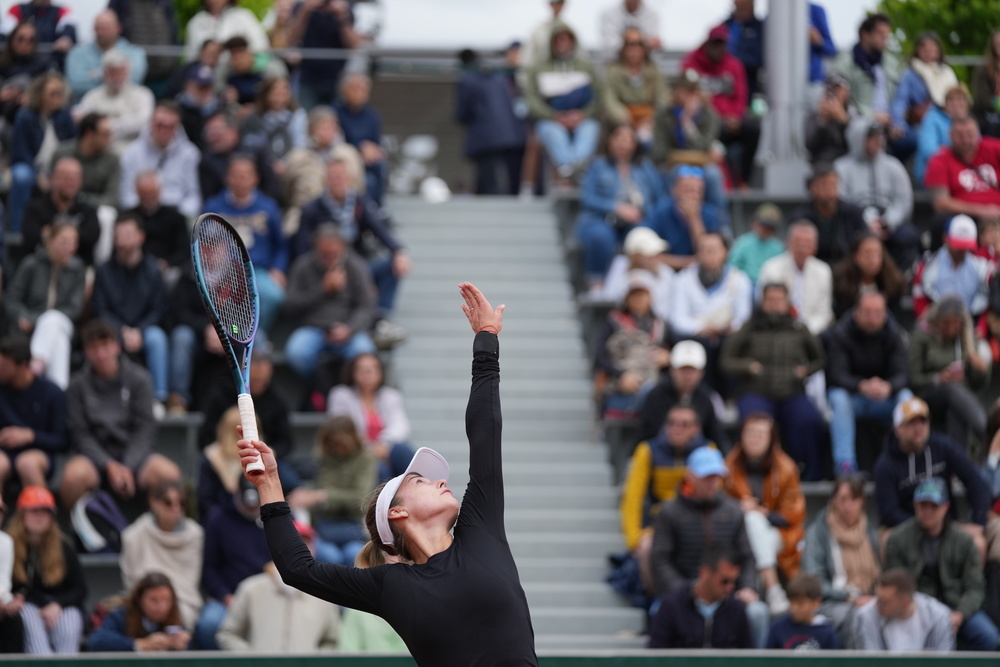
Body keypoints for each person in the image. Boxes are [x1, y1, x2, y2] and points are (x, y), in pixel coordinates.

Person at [238, 282, 539, 665]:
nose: (441, 481)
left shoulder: (481, 529)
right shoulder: (391, 585)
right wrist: (269, 485)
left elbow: (484, 434)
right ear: (397, 513)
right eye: (421, 481)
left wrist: (486, 341)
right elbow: (298, 569)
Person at [647, 445, 769, 647]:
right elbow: (660, 560)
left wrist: (747, 588)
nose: (713, 483)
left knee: (757, 613)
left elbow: (746, 556)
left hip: (727, 595)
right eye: (707, 477)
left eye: (716, 476)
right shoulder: (669, 513)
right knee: (659, 611)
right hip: (680, 594)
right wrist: (685, 593)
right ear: (690, 476)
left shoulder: (733, 511)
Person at [58, 319, 180, 510]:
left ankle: (160, 536)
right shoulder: (76, 386)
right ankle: (80, 535)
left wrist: (128, 465)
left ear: (116, 346)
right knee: (73, 477)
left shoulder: (140, 379)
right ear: (86, 352)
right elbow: (80, 434)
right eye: (93, 348)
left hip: (136, 458)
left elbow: (145, 429)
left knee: (168, 475)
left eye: (105, 346)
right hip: (94, 460)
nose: (100, 354)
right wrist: (108, 465)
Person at [720, 283, 827, 481]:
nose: (774, 305)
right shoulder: (749, 327)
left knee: (809, 420)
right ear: (762, 302)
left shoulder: (799, 328)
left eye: (779, 300)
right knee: (754, 422)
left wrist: (806, 370)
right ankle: (750, 474)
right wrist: (747, 366)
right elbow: (726, 361)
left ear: (788, 303)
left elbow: (820, 359)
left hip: (792, 392)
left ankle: (808, 476)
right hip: (755, 391)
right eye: (770, 300)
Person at [884, 478, 999, 651]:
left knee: (989, 638)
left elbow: (975, 587)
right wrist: (915, 611)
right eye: (923, 505)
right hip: (915, 608)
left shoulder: (963, 540)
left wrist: (960, 614)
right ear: (915, 506)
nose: (928, 511)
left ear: (945, 507)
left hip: (956, 606)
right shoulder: (898, 539)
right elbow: (894, 584)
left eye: (934, 506)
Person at [295, 159, 411, 327]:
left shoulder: (360, 203)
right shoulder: (312, 209)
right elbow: (301, 249)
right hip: (323, 269)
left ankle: (381, 318)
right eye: (334, 177)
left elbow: (379, 228)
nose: (338, 181)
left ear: (349, 179)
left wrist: (398, 251)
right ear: (325, 180)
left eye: (341, 177)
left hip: (357, 265)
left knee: (392, 264)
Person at [873, 396, 992, 554]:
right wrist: (927, 525)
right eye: (911, 422)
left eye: (923, 421)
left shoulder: (943, 446)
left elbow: (975, 482)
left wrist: (979, 521)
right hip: (906, 527)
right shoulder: (885, 465)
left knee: (978, 542)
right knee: (887, 539)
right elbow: (888, 513)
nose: (919, 428)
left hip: (947, 525)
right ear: (897, 429)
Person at [621, 404, 714, 591]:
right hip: (660, 522)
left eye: (684, 424)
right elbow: (632, 497)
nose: (676, 429)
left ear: (696, 428)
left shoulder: (708, 450)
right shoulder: (648, 450)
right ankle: (659, 602)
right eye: (672, 423)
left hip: (699, 519)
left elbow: (717, 490)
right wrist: (634, 538)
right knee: (647, 548)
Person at [92, 214, 179, 415]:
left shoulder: (153, 270)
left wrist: (139, 330)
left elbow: (159, 308)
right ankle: (109, 400)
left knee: (157, 338)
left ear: (141, 236)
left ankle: (158, 398)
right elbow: (100, 308)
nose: (122, 238)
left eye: (127, 233)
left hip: (145, 329)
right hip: (114, 328)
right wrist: (121, 330)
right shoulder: (104, 270)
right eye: (118, 234)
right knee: (105, 340)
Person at [724, 414, 806, 613]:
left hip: (779, 534)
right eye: (750, 433)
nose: (754, 439)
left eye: (760, 434)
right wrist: (738, 508)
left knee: (754, 521)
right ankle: (772, 591)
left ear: (772, 439)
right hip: (736, 532)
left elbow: (792, 516)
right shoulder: (729, 466)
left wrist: (762, 513)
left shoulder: (786, 468)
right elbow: (719, 504)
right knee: (751, 523)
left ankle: (766, 591)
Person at [216, 522, 341, 652]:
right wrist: (252, 659)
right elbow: (228, 634)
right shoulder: (251, 588)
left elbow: (331, 641)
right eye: (295, 542)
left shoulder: (324, 594)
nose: (301, 549)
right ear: (277, 547)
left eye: (306, 542)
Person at [826, 292, 912, 474]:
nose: (872, 318)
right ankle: (845, 466)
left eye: (878, 313)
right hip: (853, 398)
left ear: (886, 314)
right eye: (867, 312)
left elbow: (903, 374)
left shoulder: (895, 333)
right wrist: (862, 385)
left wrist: (889, 387)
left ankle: (908, 460)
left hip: (883, 398)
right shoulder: (841, 332)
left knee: (906, 398)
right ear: (856, 312)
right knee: (839, 398)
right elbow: (836, 374)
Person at [202, 156, 287, 335]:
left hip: (258, 270)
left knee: (274, 296)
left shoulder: (269, 207)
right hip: (223, 273)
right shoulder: (213, 206)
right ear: (227, 178)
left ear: (255, 178)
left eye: (245, 176)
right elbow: (202, 244)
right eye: (235, 175)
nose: (240, 180)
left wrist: (278, 269)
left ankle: (253, 336)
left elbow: (281, 245)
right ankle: (231, 335)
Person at [575, 123, 663, 291]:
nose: (623, 144)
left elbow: (657, 196)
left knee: (643, 235)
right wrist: (616, 207)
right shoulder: (598, 165)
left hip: (636, 220)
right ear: (610, 140)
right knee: (600, 236)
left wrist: (642, 213)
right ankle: (597, 284)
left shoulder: (645, 167)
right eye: (619, 138)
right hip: (601, 218)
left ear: (635, 144)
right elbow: (588, 198)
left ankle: (638, 285)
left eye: (628, 139)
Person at [283, 225, 378, 379]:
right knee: (296, 353)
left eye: (334, 254)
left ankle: (347, 384)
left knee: (364, 352)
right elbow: (290, 305)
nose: (330, 259)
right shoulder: (303, 266)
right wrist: (322, 289)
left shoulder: (356, 266)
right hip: (313, 328)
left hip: (349, 329)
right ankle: (320, 384)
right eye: (325, 255)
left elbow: (366, 306)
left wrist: (349, 328)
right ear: (316, 249)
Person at [802, 476, 882, 648]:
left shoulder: (870, 532)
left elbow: (882, 574)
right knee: (857, 616)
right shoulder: (817, 533)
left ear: (862, 502)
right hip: (830, 602)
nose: (848, 506)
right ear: (833, 501)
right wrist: (849, 597)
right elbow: (814, 582)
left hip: (870, 598)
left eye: (854, 499)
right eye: (843, 499)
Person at [286, 417, 377, 567]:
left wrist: (323, 496)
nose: (335, 448)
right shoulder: (323, 456)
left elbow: (362, 499)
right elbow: (317, 487)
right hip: (323, 525)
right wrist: (306, 495)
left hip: (352, 524)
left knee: (353, 554)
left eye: (339, 444)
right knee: (329, 556)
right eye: (331, 444)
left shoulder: (365, 458)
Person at [667, 233, 751, 395]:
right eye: (704, 250)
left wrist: (725, 328)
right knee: (700, 346)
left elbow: (743, 318)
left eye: (713, 250)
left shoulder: (740, 279)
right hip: (695, 335)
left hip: (726, 335)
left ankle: (728, 397)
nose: (708, 254)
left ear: (725, 252)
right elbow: (677, 318)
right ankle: (702, 396)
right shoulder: (683, 279)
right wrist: (702, 328)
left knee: (730, 346)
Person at [4, 224, 85, 389]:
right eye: (63, 241)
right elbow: (12, 298)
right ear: (50, 240)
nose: (68, 247)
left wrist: (38, 319)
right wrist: (22, 315)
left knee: (52, 319)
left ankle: (35, 367)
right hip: (31, 328)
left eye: (72, 242)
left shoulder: (78, 269)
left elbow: (74, 308)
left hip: (64, 322)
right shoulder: (31, 264)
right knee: (59, 343)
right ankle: (59, 393)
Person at [6, 486, 85, 654]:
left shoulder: (63, 545)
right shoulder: (8, 543)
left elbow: (80, 588)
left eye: (46, 512)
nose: (40, 517)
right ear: (22, 514)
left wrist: (58, 604)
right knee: (28, 615)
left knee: (71, 618)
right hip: (26, 607)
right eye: (34, 511)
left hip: (58, 606)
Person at [195, 476, 271, 650]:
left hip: (266, 595)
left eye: (256, 503)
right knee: (209, 624)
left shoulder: (275, 517)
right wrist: (225, 596)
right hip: (229, 596)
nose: (252, 507)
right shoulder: (217, 519)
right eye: (248, 503)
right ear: (237, 494)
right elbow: (209, 568)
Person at [681, 24, 760, 187]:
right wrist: (719, 116)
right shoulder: (692, 63)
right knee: (715, 129)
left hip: (732, 119)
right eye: (715, 43)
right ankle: (730, 181)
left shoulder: (734, 65)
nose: (718, 48)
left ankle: (745, 179)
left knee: (753, 129)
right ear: (707, 43)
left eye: (721, 44)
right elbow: (686, 93)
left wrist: (736, 117)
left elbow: (742, 97)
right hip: (706, 118)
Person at [835, 119, 920, 271]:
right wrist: (865, 221)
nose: (878, 141)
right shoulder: (841, 168)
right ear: (858, 139)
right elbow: (841, 200)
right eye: (872, 137)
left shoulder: (894, 166)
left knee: (909, 236)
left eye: (880, 136)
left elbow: (904, 200)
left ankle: (900, 280)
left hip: (889, 221)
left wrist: (888, 221)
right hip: (857, 222)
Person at [524, 22, 601, 184]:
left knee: (590, 130)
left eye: (566, 39)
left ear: (573, 42)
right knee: (554, 134)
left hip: (581, 119)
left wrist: (582, 115)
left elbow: (598, 97)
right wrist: (553, 116)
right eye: (558, 40)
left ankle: (571, 169)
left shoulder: (586, 67)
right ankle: (572, 169)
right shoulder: (538, 67)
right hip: (551, 120)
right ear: (552, 42)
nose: (562, 43)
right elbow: (531, 99)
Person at [120, 481, 204, 629]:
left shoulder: (195, 534)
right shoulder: (133, 535)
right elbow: (132, 581)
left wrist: (166, 602)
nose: (176, 509)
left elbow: (189, 581)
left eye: (181, 503)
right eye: (168, 503)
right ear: (154, 503)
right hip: (144, 601)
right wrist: (152, 600)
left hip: (182, 601)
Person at [908, 296, 989, 448]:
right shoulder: (922, 335)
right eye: (946, 323)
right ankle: (987, 432)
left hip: (959, 398)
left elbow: (978, 383)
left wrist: (980, 369)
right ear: (937, 320)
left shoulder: (965, 338)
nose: (951, 328)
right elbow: (913, 378)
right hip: (929, 394)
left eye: (956, 324)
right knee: (952, 390)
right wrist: (939, 378)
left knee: (957, 410)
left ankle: (959, 467)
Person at [593, 272, 671, 416]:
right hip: (621, 381)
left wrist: (669, 357)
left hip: (652, 379)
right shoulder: (614, 322)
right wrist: (621, 374)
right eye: (634, 295)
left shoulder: (661, 325)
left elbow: (676, 350)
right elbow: (600, 356)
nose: (639, 299)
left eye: (643, 294)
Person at [328, 353, 416, 481]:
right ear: (352, 372)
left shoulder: (391, 395)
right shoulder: (341, 395)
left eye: (372, 369)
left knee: (402, 450)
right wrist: (370, 449)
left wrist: (384, 445)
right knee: (379, 468)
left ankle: (418, 490)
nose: (367, 374)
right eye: (362, 370)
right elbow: (343, 431)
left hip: (386, 450)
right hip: (356, 453)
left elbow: (401, 426)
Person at [650, 69, 728, 211]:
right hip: (672, 166)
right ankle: (668, 221)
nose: (689, 95)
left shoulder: (709, 115)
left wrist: (687, 123)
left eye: (693, 91)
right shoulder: (665, 114)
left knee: (714, 175)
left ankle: (719, 223)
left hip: (701, 166)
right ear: (676, 92)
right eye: (685, 90)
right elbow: (660, 152)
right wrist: (684, 157)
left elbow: (705, 146)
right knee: (678, 173)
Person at [648, 544, 753, 649]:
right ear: (705, 572)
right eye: (724, 581)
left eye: (734, 582)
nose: (730, 587)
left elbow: (747, 657)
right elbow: (656, 656)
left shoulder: (737, 609)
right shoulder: (671, 606)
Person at [8, 72, 74, 234]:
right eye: (53, 93)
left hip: (58, 168)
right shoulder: (25, 116)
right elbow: (20, 152)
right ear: (40, 94)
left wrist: (57, 175)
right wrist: (38, 175)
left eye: (60, 93)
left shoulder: (65, 116)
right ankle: (17, 230)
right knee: (21, 176)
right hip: (32, 167)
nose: (58, 97)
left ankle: (65, 230)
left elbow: (73, 147)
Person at [456, 48, 529, 196]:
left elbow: (462, 112)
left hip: (485, 136)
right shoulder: (498, 74)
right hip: (511, 134)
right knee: (499, 180)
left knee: (492, 183)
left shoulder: (469, 77)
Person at [281, 107, 364, 232]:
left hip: (341, 211)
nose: (326, 131)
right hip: (302, 211)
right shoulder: (297, 156)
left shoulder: (349, 154)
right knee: (290, 229)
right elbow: (286, 190)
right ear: (311, 130)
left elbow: (359, 187)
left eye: (330, 127)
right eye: (321, 127)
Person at [0, 336, 66, 493]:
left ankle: (41, 515)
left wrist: (31, 436)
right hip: (4, 452)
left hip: (39, 453)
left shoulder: (51, 392)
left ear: (22, 365)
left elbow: (62, 440)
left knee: (27, 464)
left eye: (4, 365)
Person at [119, 101, 202, 219]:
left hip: (176, 217)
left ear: (178, 127)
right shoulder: (131, 153)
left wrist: (178, 216)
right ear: (151, 123)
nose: (164, 130)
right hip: (141, 216)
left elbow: (193, 196)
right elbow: (126, 195)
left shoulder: (190, 154)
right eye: (160, 125)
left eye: (170, 127)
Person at [638, 339, 728, 448]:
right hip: (660, 457)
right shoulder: (656, 396)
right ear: (672, 370)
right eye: (683, 369)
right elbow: (649, 434)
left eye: (692, 370)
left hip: (695, 457)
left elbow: (716, 435)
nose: (687, 375)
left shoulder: (706, 398)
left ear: (701, 372)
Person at [832, 15, 904, 143]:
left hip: (893, 122)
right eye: (880, 33)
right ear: (865, 34)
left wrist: (897, 119)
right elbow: (840, 104)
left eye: (887, 34)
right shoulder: (845, 63)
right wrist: (873, 118)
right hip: (861, 125)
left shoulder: (892, 63)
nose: (885, 38)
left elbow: (902, 97)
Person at [643, 166, 729, 270]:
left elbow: (707, 254)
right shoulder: (660, 212)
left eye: (697, 191)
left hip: (699, 274)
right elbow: (647, 254)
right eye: (687, 190)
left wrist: (694, 218)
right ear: (674, 190)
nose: (692, 196)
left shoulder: (711, 215)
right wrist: (687, 262)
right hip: (664, 270)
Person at [20, 157, 100, 268]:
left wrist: (53, 234)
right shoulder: (35, 208)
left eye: (75, 178)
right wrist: (74, 235)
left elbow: (92, 236)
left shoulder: (88, 210)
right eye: (66, 177)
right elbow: (31, 238)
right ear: (53, 179)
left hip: (78, 271)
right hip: (43, 268)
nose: (71, 183)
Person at [891, 31, 958, 161]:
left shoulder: (947, 73)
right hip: (922, 124)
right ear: (917, 50)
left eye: (932, 46)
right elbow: (900, 100)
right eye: (924, 47)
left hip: (949, 122)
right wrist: (898, 124)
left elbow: (958, 99)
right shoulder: (910, 75)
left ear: (939, 50)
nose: (928, 50)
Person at [757, 221, 834, 335]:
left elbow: (823, 312)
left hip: (812, 332)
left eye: (808, 243)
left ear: (815, 246)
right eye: (798, 242)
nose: (802, 248)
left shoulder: (823, 271)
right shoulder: (771, 268)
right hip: (777, 329)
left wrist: (806, 330)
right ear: (789, 243)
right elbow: (764, 305)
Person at [924, 115, 1000, 228]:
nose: (965, 140)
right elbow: (941, 203)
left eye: (970, 134)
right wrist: (983, 211)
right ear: (950, 135)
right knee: (940, 221)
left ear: (978, 133)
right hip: (965, 218)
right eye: (960, 135)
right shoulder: (939, 160)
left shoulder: (994, 148)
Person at [72, 50, 154, 153]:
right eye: (113, 73)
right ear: (105, 74)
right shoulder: (92, 96)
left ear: (128, 71)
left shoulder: (143, 94)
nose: (117, 78)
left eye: (121, 72)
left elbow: (142, 122)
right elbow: (82, 117)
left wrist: (106, 126)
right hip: (99, 151)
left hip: (132, 149)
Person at [854, 569, 955, 651]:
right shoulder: (867, 615)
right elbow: (870, 661)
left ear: (905, 604)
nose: (876, 604)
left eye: (884, 602)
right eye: (876, 597)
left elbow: (944, 660)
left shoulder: (939, 617)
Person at [88, 572, 190, 652]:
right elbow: (98, 641)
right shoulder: (122, 616)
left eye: (166, 600)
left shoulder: (175, 620)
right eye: (154, 600)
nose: (161, 607)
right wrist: (139, 644)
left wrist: (181, 645)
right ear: (140, 599)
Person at [289, 0, 363, 110]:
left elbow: (354, 45)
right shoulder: (302, 7)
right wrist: (305, 11)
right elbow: (291, 39)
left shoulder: (345, 9)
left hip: (337, 80)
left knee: (334, 123)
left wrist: (342, 17)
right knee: (305, 118)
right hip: (308, 78)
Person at [790, 163, 868, 265]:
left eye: (833, 184)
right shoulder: (801, 216)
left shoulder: (853, 212)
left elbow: (865, 241)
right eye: (824, 184)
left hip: (849, 268)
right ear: (812, 187)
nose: (829, 190)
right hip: (814, 268)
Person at [603, 29, 668, 146]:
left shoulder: (653, 71)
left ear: (645, 48)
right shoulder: (614, 71)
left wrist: (651, 119)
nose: (634, 49)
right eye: (630, 44)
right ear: (623, 48)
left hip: (649, 120)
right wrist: (625, 119)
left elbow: (662, 100)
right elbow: (609, 100)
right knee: (624, 141)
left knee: (647, 138)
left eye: (639, 44)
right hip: (622, 121)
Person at [65, 10, 146, 100]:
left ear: (118, 28)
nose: (101, 33)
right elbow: (76, 84)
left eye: (106, 28)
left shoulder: (134, 52)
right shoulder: (77, 53)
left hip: (125, 107)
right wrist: (112, 75)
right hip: (90, 109)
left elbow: (134, 79)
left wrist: (95, 74)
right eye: (98, 28)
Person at [124, 172, 191, 281]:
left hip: (166, 270)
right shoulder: (129, 218)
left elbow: (184, 251)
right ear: (137, 192)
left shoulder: (176, 218)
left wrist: (167, 263)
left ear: (159, 190)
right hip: (133, 269)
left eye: (151, 193)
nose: (148, 198)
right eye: (143, 194)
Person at [197, 406, 257, 523]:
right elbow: (206, 501)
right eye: (237, 433)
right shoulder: (212, 457)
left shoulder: (264, 457)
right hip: (224, 523)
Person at [239, 77, 307, 179]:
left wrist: (285, 163)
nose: (279, 97)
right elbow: (250, 143)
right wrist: (270, 163)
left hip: (291, 165)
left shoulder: (298, 115)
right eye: (276, 92)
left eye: (284, 92)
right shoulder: (254, 117)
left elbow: (300, 146)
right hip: (262, 165)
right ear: (266, 94)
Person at [599, 226, 673, 318]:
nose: (654, 258)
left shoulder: (666, 272)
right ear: (635, 256)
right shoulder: (620, 266)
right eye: (649, 255)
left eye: (656, 254)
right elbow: (610, 300)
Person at [107, 0, 180, 94]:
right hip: (133, 79)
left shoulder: (164, 2)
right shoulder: (120, 2)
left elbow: (173, 31)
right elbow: (112, 31)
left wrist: (172, 60)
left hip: (164, 76)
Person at [335, 74, 387, 204]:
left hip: (369, 160)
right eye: (355, 88)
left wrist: (373, 151)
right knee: (368, 180)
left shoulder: (372, 115)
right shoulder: (335, 112)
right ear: (344, 90)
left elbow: (376, 141)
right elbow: (338, 141)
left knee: (380, 165)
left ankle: (377, 209)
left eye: (363, 89)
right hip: (346, 157)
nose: (359, 93)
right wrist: (359, 148)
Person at [831, 231, 906, 321]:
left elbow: (895, 319)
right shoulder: (842, 282)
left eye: (877, 253)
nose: (873, 259)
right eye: (867, 253)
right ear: (855, 256)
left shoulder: (893, 282)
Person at [51, 112, 119, 210]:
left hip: (93, 211)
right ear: (90, 134)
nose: (110, 139)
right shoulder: (62, 154)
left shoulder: (112, 160)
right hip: (61, 206)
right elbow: (52, 187)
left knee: (106, 213)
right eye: (105, 135)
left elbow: (112, 199)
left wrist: (81, 199)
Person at [765, 573, 841, 650]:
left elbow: (833, 660)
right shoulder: (777, 628)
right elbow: (767, 659)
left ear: (816, 603)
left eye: (800, 603)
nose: (794, 607)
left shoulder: (827, 631)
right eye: (792, 602)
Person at [915, 87, 971, 187]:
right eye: (952, 100)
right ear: (945, 104)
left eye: (960, 100)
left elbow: (977, 148)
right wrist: (954, 161)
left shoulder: (970, 122)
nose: (956, 104)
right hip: (934, 172)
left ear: (967, 104)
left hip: (964, 172)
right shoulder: (932, 118)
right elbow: (928, 150)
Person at [183, 0, 268, 63]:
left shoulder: (243, 17)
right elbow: (190, 56)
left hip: (237, 76)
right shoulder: (195, 22)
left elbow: (261, 47)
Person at [1, 2, 76, 68]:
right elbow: (4, 32)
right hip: (16, 64)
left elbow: (69, 27)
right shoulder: (17, 9)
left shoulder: (62, 11)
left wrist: (66, 37)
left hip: (48, 65)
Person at [728, 203, 785, 285]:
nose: (766, 229)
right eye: (764, 225)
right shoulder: (743, 243)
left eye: (770, 227)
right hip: (746, 284)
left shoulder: (778, 247)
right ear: (755, 222)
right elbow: (733, 267)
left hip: (770, 285)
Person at [806, 72, 853, 165]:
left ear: (846, 92)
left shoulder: (852, 113)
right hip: (821, 164)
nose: (834, 92)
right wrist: (822, 120)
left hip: (848, 164)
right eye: (831, 88)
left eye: (838, 88)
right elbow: (810, 145)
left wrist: (844, 122)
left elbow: (857, 145)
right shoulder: (815, 113)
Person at [723, 0, 765, 99]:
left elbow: (759, 58)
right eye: (737, 6)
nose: (739, 11)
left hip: (747, 85)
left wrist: (733, 61)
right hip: (723, 86)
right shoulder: (726, 25)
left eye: (743, 7)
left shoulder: (760, 28)